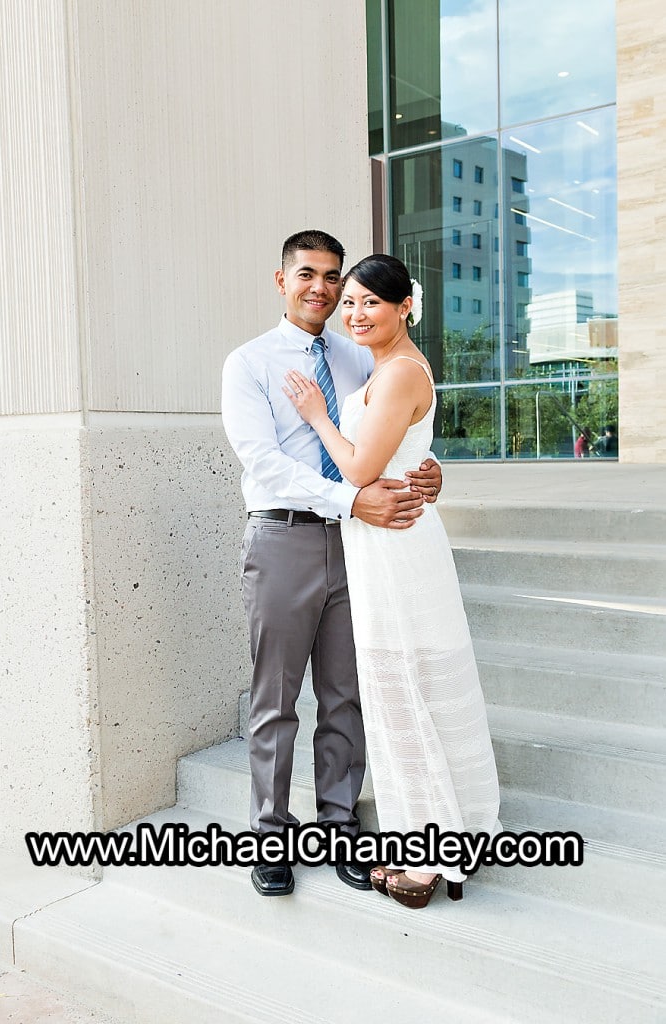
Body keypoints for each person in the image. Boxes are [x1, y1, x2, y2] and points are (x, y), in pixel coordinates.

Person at [221, 231, 443, 898]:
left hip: (358, 547)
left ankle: (340, 825)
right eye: (307, 274)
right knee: (276, 700)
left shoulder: (361, 354)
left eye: (331, 276)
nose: (321, 288)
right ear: (281, 280)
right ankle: (270, 837)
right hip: (284, 540)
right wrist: (350, 497)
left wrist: (429, 474)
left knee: (348, 694)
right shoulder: (248, 362)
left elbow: (392, 435)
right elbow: (261, 462)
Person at [284, 253, 500, 910]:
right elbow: (404, 454)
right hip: (388, 543)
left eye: (368, 302)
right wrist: (427, 467)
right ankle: (443, 838)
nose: (353, 313)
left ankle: (424, 863)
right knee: (408, 689)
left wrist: (318, 415)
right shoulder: (391, 368)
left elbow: (357, 470)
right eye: (347, 302)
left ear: (405, 305)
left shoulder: (400, 371)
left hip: (395, 548)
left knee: (404, 690)